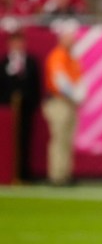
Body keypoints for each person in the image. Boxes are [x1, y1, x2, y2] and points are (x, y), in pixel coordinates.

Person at [42, 18, 84, 187]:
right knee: (59, 139)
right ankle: (56, 175)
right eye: (69, 36)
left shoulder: (71, 57)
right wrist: (76, 95)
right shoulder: (58, 55)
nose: (73, 39)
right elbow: (60, 81)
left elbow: (78, 79)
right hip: (58, 102)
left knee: (66, 139)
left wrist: (79, 95)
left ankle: (65, 173)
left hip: (68, 103)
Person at [0, 29, 41, 183]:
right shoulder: (4, 63)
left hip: (26, 109)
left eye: (20, 41)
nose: (17, 45)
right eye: (14, 41)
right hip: (7, 111)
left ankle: (24, 173)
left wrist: (29, 102)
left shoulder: (30, 62)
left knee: (25, 141)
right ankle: (7, 172)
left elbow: (35, 85)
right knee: (7, 142)